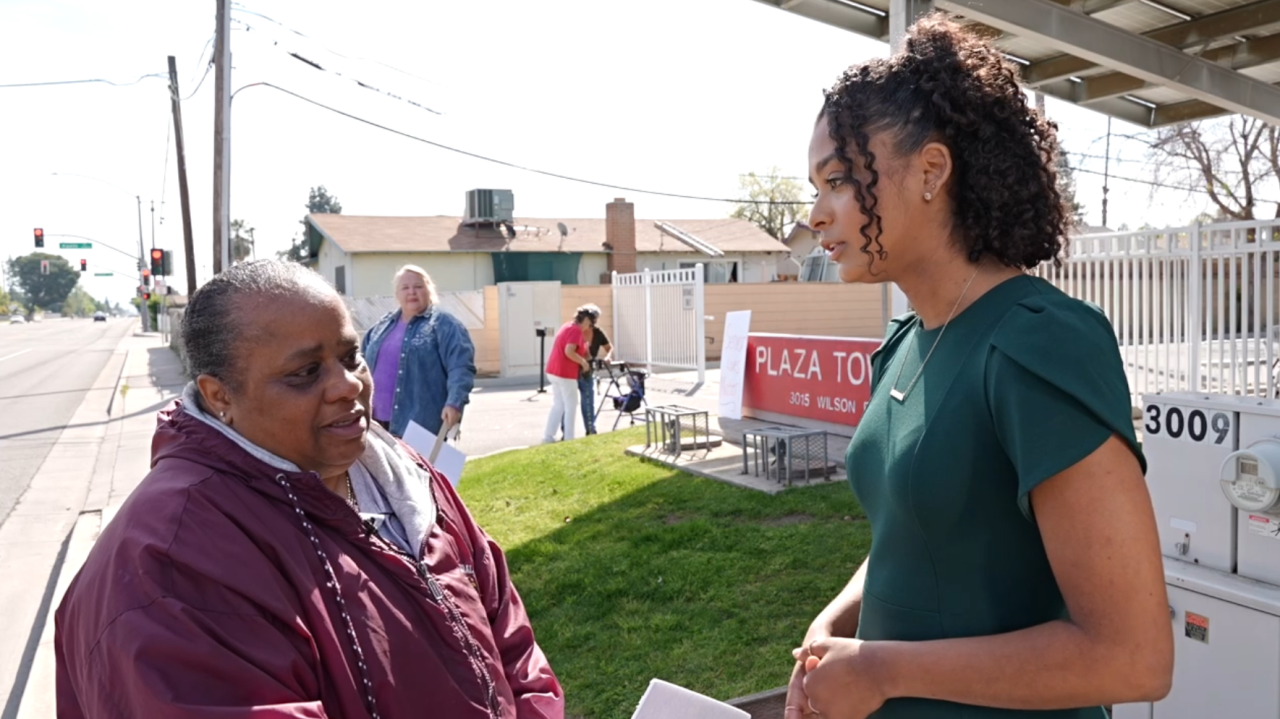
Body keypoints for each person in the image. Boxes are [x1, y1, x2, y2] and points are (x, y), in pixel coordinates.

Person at [787, 15, 1172, 719]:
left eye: (838, 180)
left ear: (932, 171)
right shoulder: (905, 345)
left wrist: (878, 669)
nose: (817, 213)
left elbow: (1133, 655)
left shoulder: (1038, 344)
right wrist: (837, 622)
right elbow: (918, 530)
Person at [55, 260, 564, 719]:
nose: (348, 385)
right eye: (305, 373)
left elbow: (512, 642)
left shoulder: (404, 475)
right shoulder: (168, 562)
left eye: (351, 356)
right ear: (219, 396)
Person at [363, 265, 476, 438]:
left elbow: (460, 368)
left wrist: (454, 403)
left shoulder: (445, 325)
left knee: (417, 467)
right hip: (375, 425)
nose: (411, 292)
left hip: (419, 425)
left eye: (418, 286)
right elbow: (359, 366)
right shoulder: (381, 327)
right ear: (397, 294)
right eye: (405, 287)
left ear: (430, 290)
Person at [542, 306, 595, 443]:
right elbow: (569, 351)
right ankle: (569, 439)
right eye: (591, 323)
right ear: (586, 319)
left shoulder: (567, 326)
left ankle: (548, 437)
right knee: (570, 406)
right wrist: (584, 363)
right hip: (565, 374)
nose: (590, 327)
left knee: (558, 405)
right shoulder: (575, 331)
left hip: (553, 371)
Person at [575, 304, 611, 436]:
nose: (593, 322)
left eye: (595, 319)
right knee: (568, 402)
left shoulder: (597, 332)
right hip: (573, 368)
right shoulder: (576, 330)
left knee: (588, 400)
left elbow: (609, 347)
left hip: (588, 369)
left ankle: (590, 429)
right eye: (592, 319)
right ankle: (566, 432)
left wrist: (608, 356)